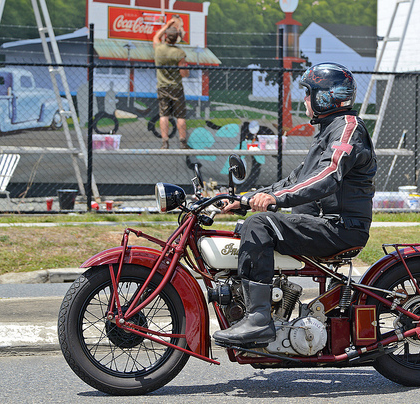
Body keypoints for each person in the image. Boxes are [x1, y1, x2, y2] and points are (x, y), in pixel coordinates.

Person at [213, 62, 377, 347]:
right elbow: (294, 180)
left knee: (259, 225)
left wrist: (274, 201)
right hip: (324, 224)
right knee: (246, 226)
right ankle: (263, 309)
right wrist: (243, 200)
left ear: (325, 97)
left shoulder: (348, 129)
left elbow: (328, 176)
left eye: (309, 93)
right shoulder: (328, 131)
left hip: (340, 227)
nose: (305, 100)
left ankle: (259, 320)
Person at [153, 18, 189, 149]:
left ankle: (165, 141)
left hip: (162, 86)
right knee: (180, 115)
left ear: (166, 37)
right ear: (177, 38)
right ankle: (182, 142)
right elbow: (183, 73)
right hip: (176, 87)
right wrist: (187, 70)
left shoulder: (158, 49)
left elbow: (156, 37)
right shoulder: (179, 53)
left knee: (164, 115)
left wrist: (167, 25)